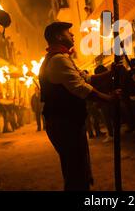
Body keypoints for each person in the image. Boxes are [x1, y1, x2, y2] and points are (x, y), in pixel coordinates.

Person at [39, 22, 119, 191]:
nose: (73, 35)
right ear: (59, 37)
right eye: (69, 32)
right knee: (76, 173)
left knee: (78, 169)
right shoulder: (58, 60)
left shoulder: (62, 58)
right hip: (64, 123)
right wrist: (109, 98)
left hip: (68, 121)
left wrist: (111, 73)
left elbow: (85, 78)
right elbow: (82, 88)